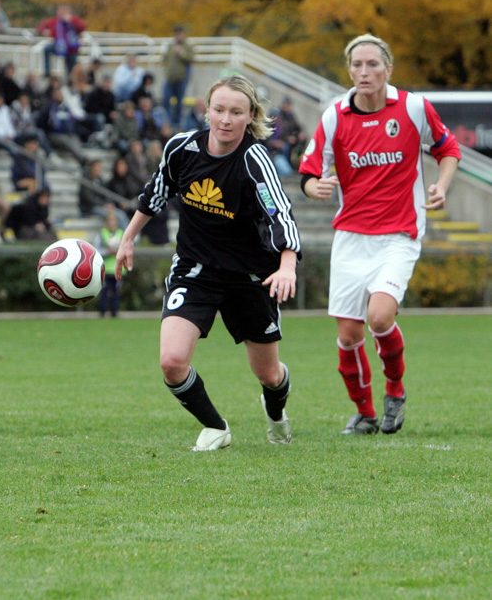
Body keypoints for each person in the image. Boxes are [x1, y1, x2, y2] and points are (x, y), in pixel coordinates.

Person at [115, 74, 301, 451]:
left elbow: (280, 214)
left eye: (236, 112)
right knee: (171, 361)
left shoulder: (255, 160)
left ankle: (276, 411)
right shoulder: (181, 149)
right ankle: (216, 427)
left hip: (251, 275)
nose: (226, 119)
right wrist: (128, 237)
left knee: (268, 374)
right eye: (219, 110)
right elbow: (156, 192)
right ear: (206, 111)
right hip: (195, 269)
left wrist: (287, 265)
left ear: (250, 116)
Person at [299, 33, 461, 436]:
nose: (364, 72)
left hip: (399, 233)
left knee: (379, 316)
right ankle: (366, 413)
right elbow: (308, 171)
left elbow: (448, 148)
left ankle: (395, 391)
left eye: (373, 64)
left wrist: (442, 184)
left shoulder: (412, 107)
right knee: (348, 335)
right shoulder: (335, 115)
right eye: (357, 65)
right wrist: (312, 187)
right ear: (349, 69)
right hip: (351, 237)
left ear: (388, 68)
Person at [36, 5, 87, 78]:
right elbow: (41, 26)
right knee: (46, 49)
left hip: (71, 48)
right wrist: (44, 30)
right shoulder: (56, 21)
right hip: (59, 46)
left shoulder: (74, 20)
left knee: (71, 67)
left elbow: (82, 27)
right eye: (61, 11)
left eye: (65, 11)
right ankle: (47, 72)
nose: (63, 13)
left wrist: (71, 21)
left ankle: (70, 78)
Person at [162, 25, 195, 129]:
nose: (178, 36)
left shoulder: (187, 47)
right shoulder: (170, 46)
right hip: (170, 78)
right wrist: (167, 70)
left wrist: (181, 52)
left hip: (181, 79)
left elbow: (190, 59)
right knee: (166, 99)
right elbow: (164, 59)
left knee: (179, 102)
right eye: (176, 33)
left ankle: (177, 122)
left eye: (180, 33)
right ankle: (168, 121)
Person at [95, 210, 124, 318]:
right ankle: (102, 312)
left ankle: (114, 313)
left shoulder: (121, 233)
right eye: (110, 220)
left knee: (116, 292)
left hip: (118, 268)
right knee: (104, 291)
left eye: (114, 220)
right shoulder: (102, 233)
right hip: (105, 268)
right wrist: (108, 252)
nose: (112, 223)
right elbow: (96, 250)